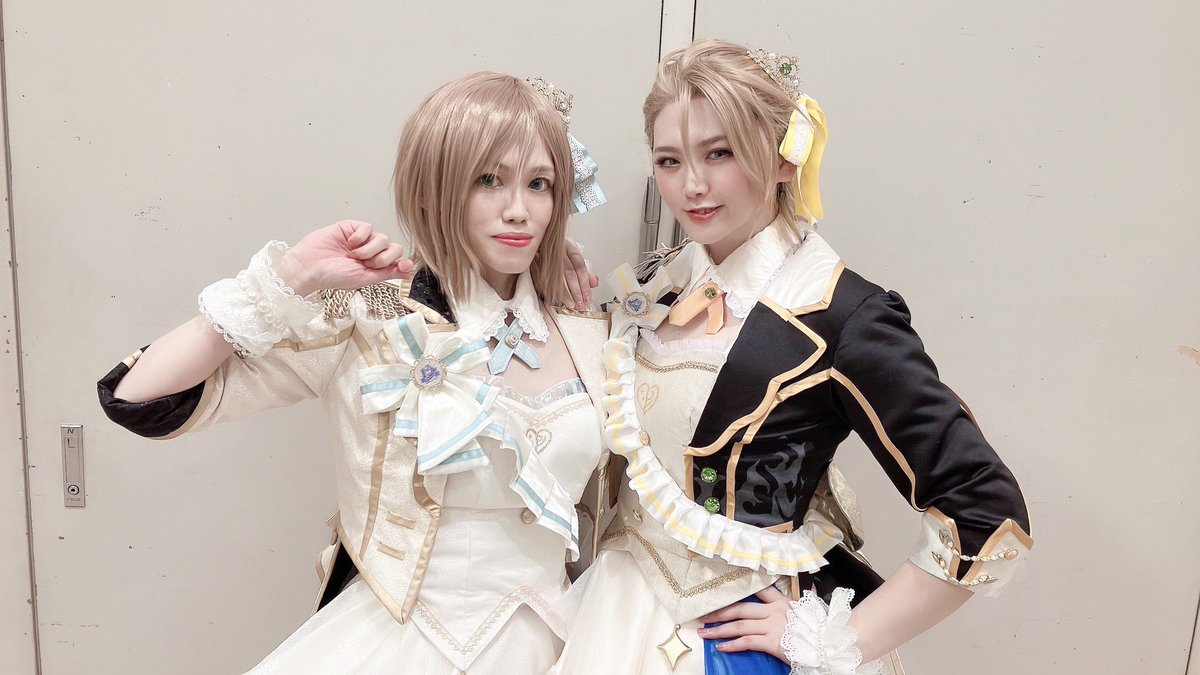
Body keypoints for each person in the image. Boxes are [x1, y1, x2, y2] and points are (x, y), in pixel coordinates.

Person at [97, 72, 612, 674]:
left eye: (539, 184)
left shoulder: (589, 331)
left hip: (565, 645)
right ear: (433, 191)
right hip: (402, 645)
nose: (519, 210)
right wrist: (288, 280)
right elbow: (140, 398)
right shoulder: (370, 315)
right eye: (488, 180)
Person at [554, 39, 1033, 674]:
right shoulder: (656, 285)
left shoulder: (844, 312)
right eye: (670, 161)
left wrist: (832, 638)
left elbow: (985, 509)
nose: (691, 185)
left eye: (720, 153)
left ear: (786, 158)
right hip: (614, 611)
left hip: (731, 639)